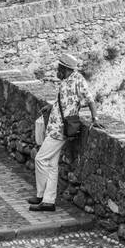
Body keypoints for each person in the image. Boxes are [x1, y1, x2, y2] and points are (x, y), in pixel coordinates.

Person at [27, 53, 99, 212]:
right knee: (52, 165)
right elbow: (64, 100)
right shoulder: (65, 81)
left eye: (59, 67)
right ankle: (48, 201)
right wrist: (51, 106)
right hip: (55, 125)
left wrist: (94, 118)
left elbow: (90, 99)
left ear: (65, 68)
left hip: (61, 129)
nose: (57, 70)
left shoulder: (78, 80)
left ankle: (41, 195)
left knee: (40, 158)